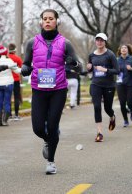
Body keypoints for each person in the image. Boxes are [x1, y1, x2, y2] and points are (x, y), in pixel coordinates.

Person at [21, 9, 79, 174]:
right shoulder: (32, 43)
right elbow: (26, 63)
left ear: (56, 22)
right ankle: (49, 139)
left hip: (58, 89)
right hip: (38, 89)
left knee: (52, 125)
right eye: (44, 19)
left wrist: (72, 62)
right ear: (41, 22)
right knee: (38, 128)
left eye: (51, 19)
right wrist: (25, 68)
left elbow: (78, 65)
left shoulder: (65, 43)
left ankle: (51, 162)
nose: (47, 21)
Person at [87, 33, 119, 142]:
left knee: (107, 108)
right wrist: (89, 68)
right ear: (95, 41)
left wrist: (106, 70)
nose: (99, 42)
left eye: (101, 40)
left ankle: (112, 117)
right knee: (97, 107)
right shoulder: (91, 55)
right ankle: (99, 133)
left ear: (105, 42)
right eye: (97, 40)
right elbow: (91, 70)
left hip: (108, 85)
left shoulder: (110, 54)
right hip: (95, 84)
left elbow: (117, 70)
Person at [0, 44, 21, 126]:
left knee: (0, 102)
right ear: (5, 52)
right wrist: (26, 70)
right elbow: (17, 71)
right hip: (8, 83)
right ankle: (5, 121)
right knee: (7, 101)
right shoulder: (9, 61)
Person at [116, 44, 132, 127]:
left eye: (125, 48)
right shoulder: (117, 60)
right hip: (120, 84)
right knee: (122, 103)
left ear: (128, 50)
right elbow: (113, 71)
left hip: (130, 84)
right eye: (122, 48)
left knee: (130, 102)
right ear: (120, 50)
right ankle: (125, 120)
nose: (124, 49)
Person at [8, 43, 23, 120]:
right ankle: (16, 115)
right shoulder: (18, 59)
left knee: (8, 97)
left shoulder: (7, 58)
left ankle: (9, 114)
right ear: (15, 50)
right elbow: (21, 68)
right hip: (16, 80)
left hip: (8, 80)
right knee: (16, 97)